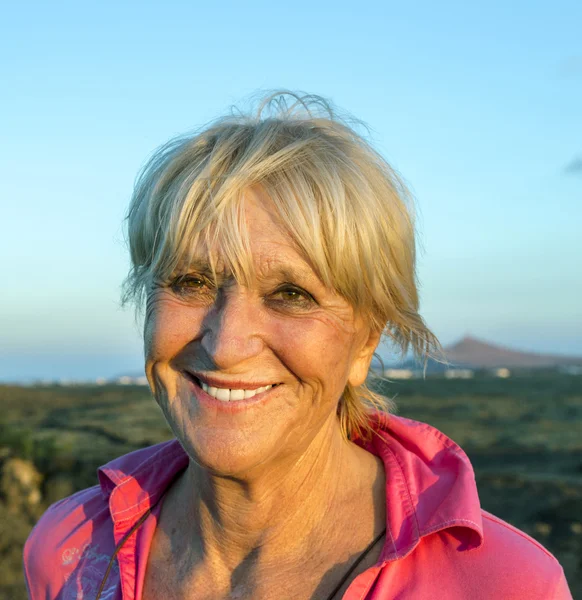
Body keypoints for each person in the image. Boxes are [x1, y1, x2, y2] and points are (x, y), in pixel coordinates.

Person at [23, 92, 572, 600]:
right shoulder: (71, 549)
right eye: (191, 282)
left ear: (366, 342)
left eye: (291, 293)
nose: (226, 344)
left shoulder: (505, 584)